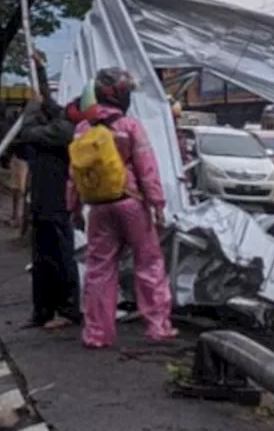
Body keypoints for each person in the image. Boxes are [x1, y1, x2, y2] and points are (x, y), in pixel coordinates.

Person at [67, 67, 175, 348]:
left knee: (99, 269)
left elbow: (75, 173)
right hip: (131, 203)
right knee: (149, 263)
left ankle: (97, 334)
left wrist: (74, 207)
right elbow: (146, 167)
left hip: (99, 207)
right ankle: (158, 327)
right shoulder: (130, 126)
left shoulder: (82, 129)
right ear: (118, 95)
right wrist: (157, 204)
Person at [14, 54, 83, 330]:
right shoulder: (60, 121)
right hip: (41, 202)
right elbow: (49, 101)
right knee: (41, 260)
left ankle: (67, 310)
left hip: (57, 203)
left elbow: (30, 133)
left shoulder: (66, 131)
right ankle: (42, 310)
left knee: (61, 258)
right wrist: (40, 70)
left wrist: (30, 113)